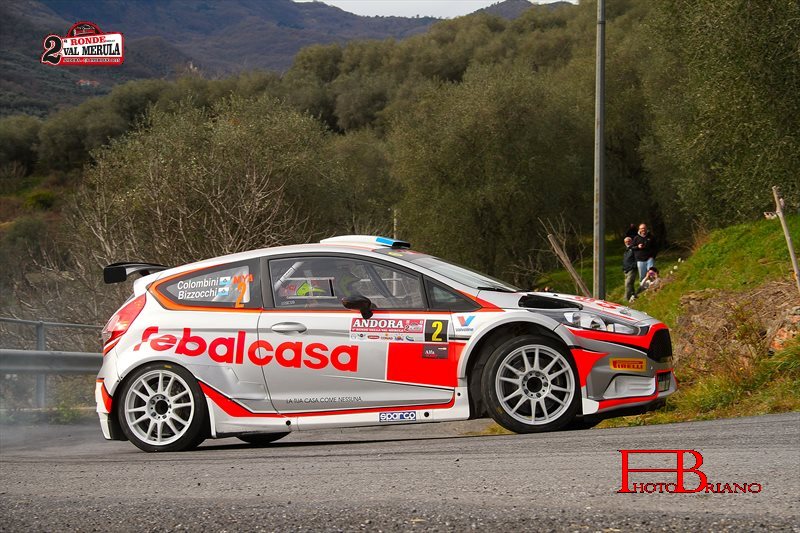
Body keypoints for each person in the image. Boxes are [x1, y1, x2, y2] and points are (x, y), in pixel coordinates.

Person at [622, 237, 637, 302]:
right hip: (626, 270)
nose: (627, 243)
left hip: (632, 269)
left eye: (628, 241)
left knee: (628, 283)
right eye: (626, 242)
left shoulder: (634, 249)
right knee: (630, 284)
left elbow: (637, 258)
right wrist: (624, 268)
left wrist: (633, 266)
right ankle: (634, 295)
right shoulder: (626, 250)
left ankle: (626, 299)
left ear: (631, 241)